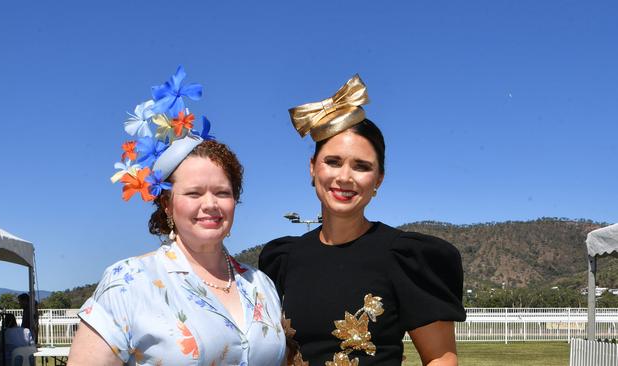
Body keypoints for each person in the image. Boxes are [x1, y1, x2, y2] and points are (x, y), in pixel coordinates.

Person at [68, 66, 285, 366]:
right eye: (194, 193)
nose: (210, 204)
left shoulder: (261, 286)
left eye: (222, 192)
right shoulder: (129, 283)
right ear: (168, 205)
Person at [259, 75, 466, 366]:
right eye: (333, 162)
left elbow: (440, 359)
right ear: (312, 168)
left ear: (378, 179)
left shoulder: (405, 257)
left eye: (362, 166)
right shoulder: (282, 259)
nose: (344, 177)